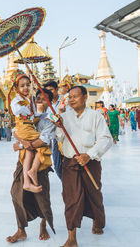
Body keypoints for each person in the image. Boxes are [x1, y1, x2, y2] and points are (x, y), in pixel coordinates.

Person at [54, 86, 113, 247]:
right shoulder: (64, 117)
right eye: (69, 97)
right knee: (71, 198)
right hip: (71, 163)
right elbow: (59, 138)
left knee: (93, 194)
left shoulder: (96, 116)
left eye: (75, 96)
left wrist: (90, 154)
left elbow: (105, 139)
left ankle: (97, 221)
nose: (71, 99)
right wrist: (58, 125)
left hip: (90, 162)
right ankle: (72, 237)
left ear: (85, 97)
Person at [6, 88, 56, 243]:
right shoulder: (29, 113)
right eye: (38, 98)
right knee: (16, 192)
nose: (40, 101)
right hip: (23, 160)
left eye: (44, 99)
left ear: (50, 101)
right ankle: (21, 230)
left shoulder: (51, 119)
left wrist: (21, 145)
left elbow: (44, 141)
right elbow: (16, 130)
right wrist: (20, 141)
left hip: (40, 161)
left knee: (42, 196)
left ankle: (43, 224)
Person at [10, 69, 52, 193]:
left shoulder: (49, 116)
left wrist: (31, 104)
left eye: (28, 85)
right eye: (22, 86)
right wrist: (27, 102)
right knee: (43, 147)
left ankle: (27, 181)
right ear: (16, 88)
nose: (26, 88)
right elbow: (18, 112)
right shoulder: (17, 100)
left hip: (28, 127)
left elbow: (33, 115)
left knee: (30, 152)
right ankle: (32, 171)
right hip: (24, 128)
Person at [43, 80, 63, 180]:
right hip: (56, 137)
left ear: (56, 89)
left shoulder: (65, 101)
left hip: (69, 135)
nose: (49, 93)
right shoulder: (46, 106)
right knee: (57, 166)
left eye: (51, 90)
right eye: (47, 91)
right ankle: (67, 185)